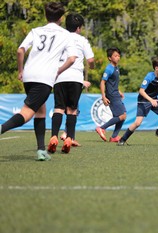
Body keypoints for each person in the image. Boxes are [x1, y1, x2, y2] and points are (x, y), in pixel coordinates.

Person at [0, 2, 77, 161]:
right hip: (44, 78)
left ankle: (41, 150)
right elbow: (72, 59)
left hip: (29, 75)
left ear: (45, 16)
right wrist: (58, 71)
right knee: (27, 112)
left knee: (40, 111)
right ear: (61, 18)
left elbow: (20, 51)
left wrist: (20, 70)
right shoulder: (66, 34)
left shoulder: (36, 31)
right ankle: (2, 128)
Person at [48, 13, 94, 154]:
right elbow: (90, 60)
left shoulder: (60, 38)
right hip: (75, 78)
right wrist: (91, 68)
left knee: (58, 108)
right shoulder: (82, 40)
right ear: (79, 28)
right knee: (72, 110)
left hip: (59, 76)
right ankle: (69, 138)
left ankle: (54, 136)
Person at [95, 47, 126, 143]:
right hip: (112, 95)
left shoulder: (116, 68)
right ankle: (102, 128)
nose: (118, 57)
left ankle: (114, 137)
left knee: (123, 115)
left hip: (115, 93)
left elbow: (112, 82)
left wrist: (119, 91)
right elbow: (102, 82)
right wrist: (103, 97)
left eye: (119, 56)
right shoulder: (109, 68)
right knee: (122, 116)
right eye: (115, 56)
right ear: (109, 58)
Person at [59, 80, 91, 147]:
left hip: (64, 85)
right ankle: (68, 136)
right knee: (72, 112)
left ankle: (67, 135)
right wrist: (81, 82)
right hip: (72, 84)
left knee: (70, 113)